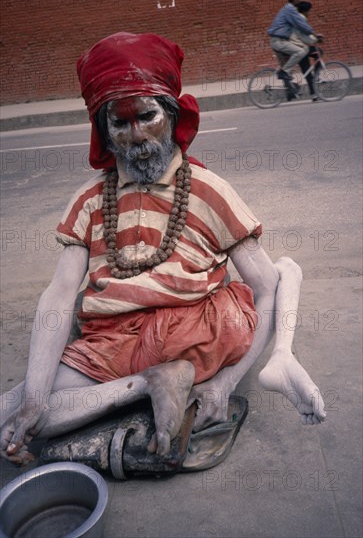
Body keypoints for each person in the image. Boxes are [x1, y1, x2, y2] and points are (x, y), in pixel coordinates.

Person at [0, 32, 326, 466]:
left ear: (171, 115)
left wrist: (226, 384)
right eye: (121, 122)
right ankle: (149, 383)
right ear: (105, 131)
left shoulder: (209, 190)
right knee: (24, 413)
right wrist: (36, 397)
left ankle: (150, 382)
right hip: (115, 340)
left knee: (32, 406)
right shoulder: (91, 199)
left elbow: (265, 287)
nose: (137, 135)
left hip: (198, 332)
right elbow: (60, 292)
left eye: (147, 116)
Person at [267, 0, 322, 97]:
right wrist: (314, 35)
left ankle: (291, 91)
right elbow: (301, 24)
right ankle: (284, 73)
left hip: (280, 40)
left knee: (296, 60)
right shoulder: (290, 10)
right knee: (301, 52)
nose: (300, 0)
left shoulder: (288, 9)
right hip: (279, 41)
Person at [291, 1, 322, 101]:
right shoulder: (301, 18)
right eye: (309, 11)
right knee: (319, 53)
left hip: (296, 47)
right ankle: (316, 77)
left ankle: (314, 94)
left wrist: (314, 37)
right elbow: (305, 34)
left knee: (307, 69)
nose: (309, 13)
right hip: (299, 47)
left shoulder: (296, 17)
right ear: (305, 11)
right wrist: (316, 39)